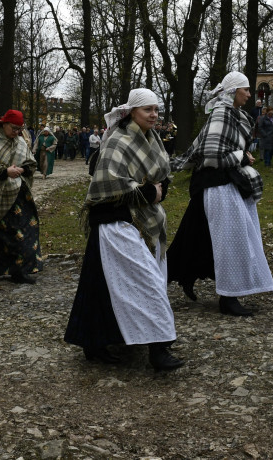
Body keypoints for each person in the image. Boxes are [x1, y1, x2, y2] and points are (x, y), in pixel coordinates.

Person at [65, 89, 183, 371]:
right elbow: (108, 184)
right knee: (146, 282)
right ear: (132, 112)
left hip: (144, 220)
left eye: (156, 109)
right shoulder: (118, 140)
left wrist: (158, 190)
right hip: (115, 222)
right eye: (147, 110)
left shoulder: (152, 138)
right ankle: (158, 348)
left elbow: (161, 177)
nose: (154, 115)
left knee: (107, 286)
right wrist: (146, 191)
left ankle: (99, 340)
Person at [167, 71, 273, 317]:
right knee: (230, 240)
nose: (249, 94)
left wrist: (240, 155)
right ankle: (228, 298)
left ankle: (183, 277)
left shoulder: (235, 114)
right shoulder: (222, 113)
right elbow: (213, 154)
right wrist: (242, 156)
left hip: (224, 182)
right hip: (217, 184)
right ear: (233, 91)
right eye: (245, 89)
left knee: (195, 236)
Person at [0, 109, 41, 284]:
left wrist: (22, 170)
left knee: (24, 229)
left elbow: (31, 164)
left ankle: (21, 269)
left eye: (20, 129)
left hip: (19, 194)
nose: (17, 132)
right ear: (4, 124)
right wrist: (4, 172)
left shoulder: (20, 142)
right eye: (14, 128)